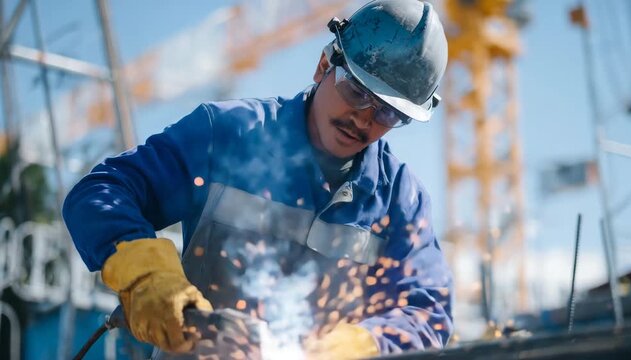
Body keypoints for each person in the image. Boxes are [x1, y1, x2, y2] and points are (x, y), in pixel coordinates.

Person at [63, 0, 453, 358]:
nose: (364, 119)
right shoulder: (228, 136)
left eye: (388, 113)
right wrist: (148, 276)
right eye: (355, 91)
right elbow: (103, 191)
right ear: (324, 66)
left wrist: (358, 345)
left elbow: (427, 310)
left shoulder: (400, 199)